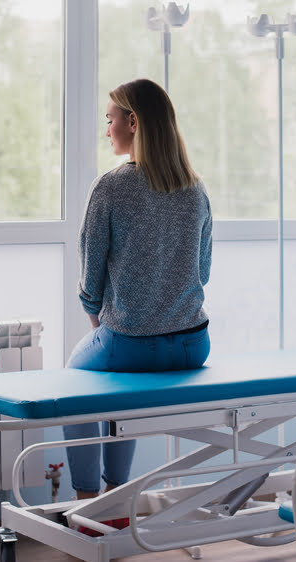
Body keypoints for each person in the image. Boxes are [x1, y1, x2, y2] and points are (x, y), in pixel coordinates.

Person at [63, 78, 213, 508]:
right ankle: (116, 499)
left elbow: (91, 276)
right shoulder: (195, 187)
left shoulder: (111, 186)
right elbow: (202, 271)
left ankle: (87, 505)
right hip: (191, 345)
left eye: (110, 119)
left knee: (74, 390)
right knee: (120, 399)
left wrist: (99, 322)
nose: (106, 128)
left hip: (131, 344)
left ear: (132, 121)